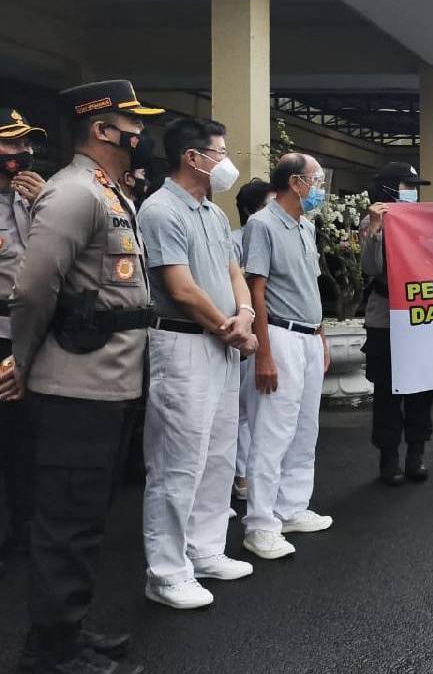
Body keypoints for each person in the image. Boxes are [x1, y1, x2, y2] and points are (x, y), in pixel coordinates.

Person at [0, 80, 162, 674]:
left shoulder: (108, 193)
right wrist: (20, 360)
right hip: (75, 389)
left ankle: (69, 630)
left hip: (109, 385)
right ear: (102, 128)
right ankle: (47, 651)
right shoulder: (73, 193)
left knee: (88, 520)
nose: (140, 132)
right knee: (65, 525)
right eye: (131, 122)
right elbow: (34, 288)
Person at [139, 118, 258, 610]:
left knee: (216, 453)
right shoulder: (161, 208)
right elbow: (180, 287)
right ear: (193, 157)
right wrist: (227, 326)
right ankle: (166, 572)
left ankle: (205, 550)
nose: (226, 161)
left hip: (223, 343)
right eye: (220, 151)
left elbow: (233, 270)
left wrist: (245, 315)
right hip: (184, 344)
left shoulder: (211, 211)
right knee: (176, 462)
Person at [240, 153, 331, 561]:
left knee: (304, 429)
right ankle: (260, 525)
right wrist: (264, 353)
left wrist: (322, 336)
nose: (320, 188)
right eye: (316, 180)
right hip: (279, 334)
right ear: (296, 183)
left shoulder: (305, 227)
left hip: (308, 337)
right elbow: (255, 289)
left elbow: (310, 288)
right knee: (272, 433)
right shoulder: (262, 224)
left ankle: (291, 507)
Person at [360, 163, 433, 485]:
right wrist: (376, 229)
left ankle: (416, 454)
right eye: (407, 185)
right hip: (387, 317)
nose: (413, 191)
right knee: (388, 392)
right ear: (390, 187)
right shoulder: (371, 222)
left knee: (422, 389)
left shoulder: (423, 220)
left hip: (422, 316)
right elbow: (371, 266)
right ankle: (389, 459)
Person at [0, 107, 46, 580]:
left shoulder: (31, 200)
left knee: (24, 439)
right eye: (10, 145)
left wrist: (41, 206)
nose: (20, 154)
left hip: (29, 335)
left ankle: (24, 530)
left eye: (24, 145)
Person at [231, 178, 272, 501]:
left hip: (275, 329)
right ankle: (241, 473)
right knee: (242, 409)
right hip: (245, 331)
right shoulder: (234, 241)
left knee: (266, 410)